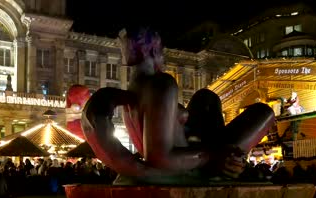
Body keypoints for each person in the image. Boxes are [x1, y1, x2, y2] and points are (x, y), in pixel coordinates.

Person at [80, 27, 275, 184]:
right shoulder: (161, 84)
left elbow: (95, 118)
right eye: (161, 54)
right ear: (154, 51)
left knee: (206, 96)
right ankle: (232, 167)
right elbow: (161, 158)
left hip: (189, 152)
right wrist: (214, 156)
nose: (163, 59)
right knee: (264, 112)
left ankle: (234, 163)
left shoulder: (125, 94)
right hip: (194, 164)